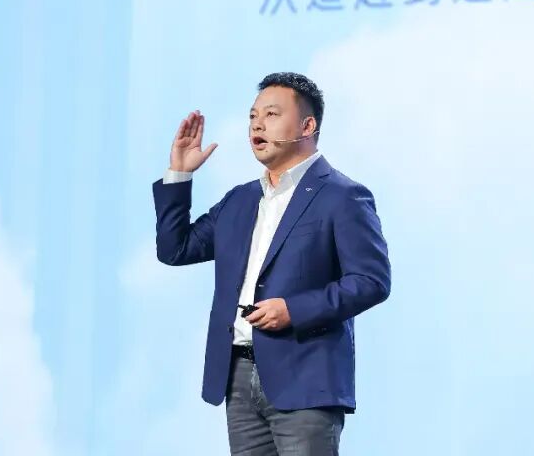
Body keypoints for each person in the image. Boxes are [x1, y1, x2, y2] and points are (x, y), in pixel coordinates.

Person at [153, 72, 391, 455]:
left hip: (306, 377)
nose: (257, 125)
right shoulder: (240, 200)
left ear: (307, 126)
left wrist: (293, 310)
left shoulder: (343, 196)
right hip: (238, 375)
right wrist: (179, 173)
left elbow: (371, 281)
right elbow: (175, 249)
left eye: (271, 114)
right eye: (252, 116)